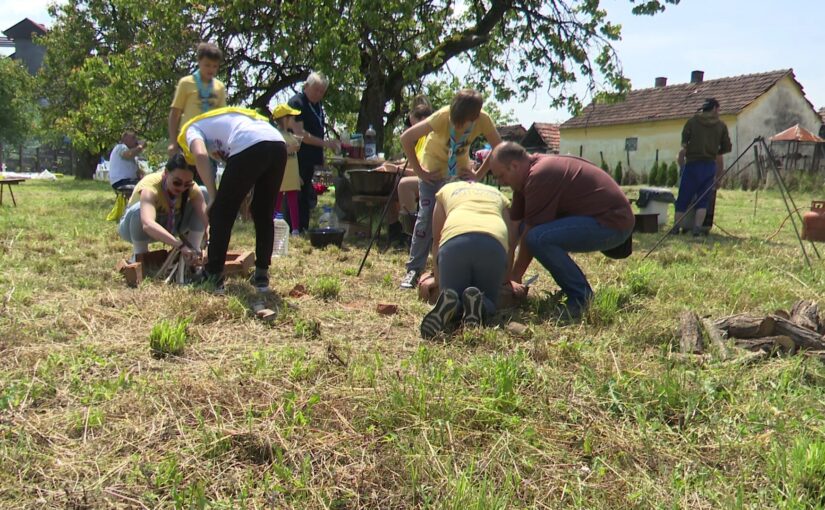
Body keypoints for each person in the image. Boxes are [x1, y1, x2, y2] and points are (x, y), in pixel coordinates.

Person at [489, 142, 635, 319]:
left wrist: (516, 277)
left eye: (501, 176)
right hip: (596, 220)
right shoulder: (524, 179)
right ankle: (575, 291)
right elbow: (514, 227)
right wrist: (506, 278)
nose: (500, 182)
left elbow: (530, 232)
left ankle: (581, 299)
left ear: (514, 166)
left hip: (613, 223)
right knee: (527, 232)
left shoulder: (540, 174)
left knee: (537, 238)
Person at [398, 89, 503, 289]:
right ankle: (414, 269)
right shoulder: (442, 116)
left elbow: (499, 147)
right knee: (426, 217)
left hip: (458, 176)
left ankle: (449, 267)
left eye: (463, 122)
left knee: (456, 220)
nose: (457, 125)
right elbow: (406, 138)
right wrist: (420, 172)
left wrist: (478, 174)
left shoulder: (483, 120)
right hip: (433, 174)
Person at [178, 106, 287, 293]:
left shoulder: (191, 129)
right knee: (263, 213)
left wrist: (213, 196)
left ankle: (212, 276)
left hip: (250, 143)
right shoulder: (226, 121)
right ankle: (262, 276)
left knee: (221, 212)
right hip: (278, 144)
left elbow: (201, 155)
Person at [420, 180, 515, 339]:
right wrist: (506, 280)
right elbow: (511, 242)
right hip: (493, 244)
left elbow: (436, 239)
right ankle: (481, 304)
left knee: (451, 293)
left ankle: (453, 304)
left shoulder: (446, 190)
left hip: (455, 242)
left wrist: (437, 280)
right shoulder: (498, 194)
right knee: (490, 299)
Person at [118, 153, 208, 262]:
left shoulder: (192, 188)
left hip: (172, 224)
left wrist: (210, 236)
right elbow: (148, 224)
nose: (182, 188)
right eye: (177, 182)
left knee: (203, 192)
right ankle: (140, 256)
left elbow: (205, 219)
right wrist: (179, 245)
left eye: (187, 184)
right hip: (136, 228)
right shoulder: (150, 187)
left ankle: (193, 252)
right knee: (139, 209)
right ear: (166, 173)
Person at [167, 42, 227, 183]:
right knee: (181, 181)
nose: (210, 69)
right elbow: (175, 113)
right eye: (207, 65)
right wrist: (172, 142)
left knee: (205, 184)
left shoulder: (219, 86)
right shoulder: (186, 83)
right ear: (199, 61)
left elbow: (222, 117)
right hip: (187, 141)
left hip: (209, 143)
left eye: (214, 66)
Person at [287, 72, 340, 231]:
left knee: (315, 192)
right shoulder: (297, 103)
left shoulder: (318, 105)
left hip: (314, 156)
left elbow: (318, 130)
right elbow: (300, 134)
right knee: (298, 193)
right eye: (316, 90)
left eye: (322, 92)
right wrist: (326, 144)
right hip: (298, 156)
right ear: (307, 86)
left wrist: (322, 154)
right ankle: (294, 227)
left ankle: (305, 226)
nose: (319, 94)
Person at [672, 97, 732, 236]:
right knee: (703, 199)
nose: (719, 112)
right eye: (718, 109)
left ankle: (676, 227)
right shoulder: (721, 126)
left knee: (683, 198)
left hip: (692, 164)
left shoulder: (692, 122)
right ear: (714, 109)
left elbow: (684, 144)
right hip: (708, 166)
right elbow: (726, 147)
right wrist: (714, 150)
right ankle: (697, 229)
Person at [271, 103, 303, 234]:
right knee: (276, 202)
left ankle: (295, 228)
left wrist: (298, 175)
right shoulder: (275, 135)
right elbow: (275, 152)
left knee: (293, 202)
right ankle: (272, 225)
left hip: (291, 174)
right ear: (285, 119)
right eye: (291, 118)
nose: (293, 121)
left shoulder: (290, 135)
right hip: (280, 175)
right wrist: (289, 149)